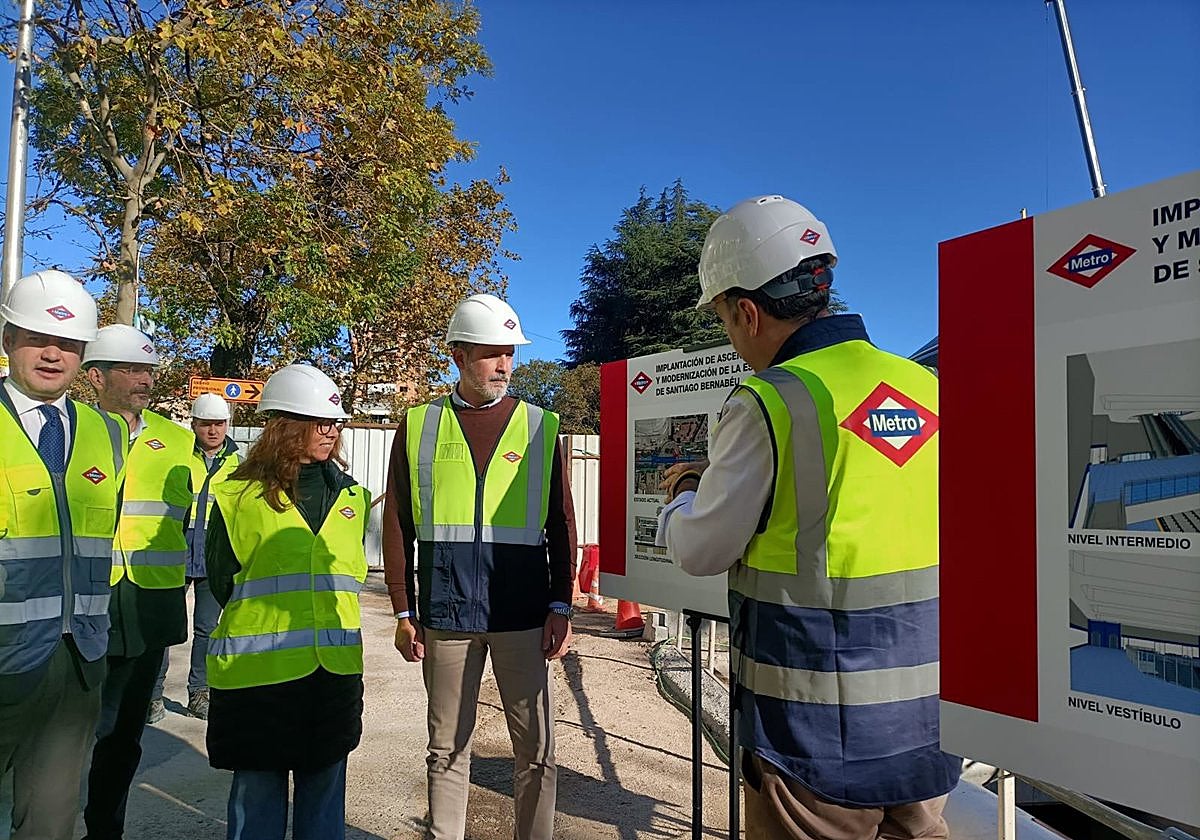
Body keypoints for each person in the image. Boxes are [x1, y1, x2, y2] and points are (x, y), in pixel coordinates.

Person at [658, 196, 960, 840]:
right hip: (930, 725)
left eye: (724, 321)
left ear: (745, 310)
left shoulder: (772, 398)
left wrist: (684, 494)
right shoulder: (925, 387)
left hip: (815, 740)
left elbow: (701, 550)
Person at [382, 293, 577, 840]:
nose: (504, 365)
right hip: (445, 614)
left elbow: (561, 522)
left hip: (522, 615)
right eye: (492, 353)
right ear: (458, 356)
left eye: (509, 354)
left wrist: (561, 602)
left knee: (537, 751)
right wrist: (403, 609)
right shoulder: (418, 425)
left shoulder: (541, 426)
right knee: (446, 748)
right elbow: (397, 519)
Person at [205, 363, 368, 840]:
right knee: (257, 803)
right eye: (320, 421)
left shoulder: (353, 497)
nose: (330, 431)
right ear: (283, 425)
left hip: (332, 677)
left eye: (335, 423)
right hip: (259, 679)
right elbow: (221, 579)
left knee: (323, 805)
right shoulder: (236, 496)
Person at [0, 270, 127, 840]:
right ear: (8, 340)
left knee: (51, 824)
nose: (54, 354)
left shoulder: (107, 433)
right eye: (37, 338)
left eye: (71, 344)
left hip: (76, 658)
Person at [81, 324, 192, 840]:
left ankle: (106, 827)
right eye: (130, 369)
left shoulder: (177, 440)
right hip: (83, 598)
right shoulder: (74, 429)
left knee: (124, 733)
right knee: (68, 730)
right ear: (96, 376)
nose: (144, 379)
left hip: (149, 602)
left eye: (147, 369)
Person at [150, 393, 240, 722]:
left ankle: (199, 693)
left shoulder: (237, 463)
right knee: (166, 625)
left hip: (214, 552)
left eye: (218, 424)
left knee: (207, 627)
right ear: (194, 424)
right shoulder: (178, 456)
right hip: (175, 548)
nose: (213, 430)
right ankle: (153, 694)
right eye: (206, 424)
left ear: (227, 424)